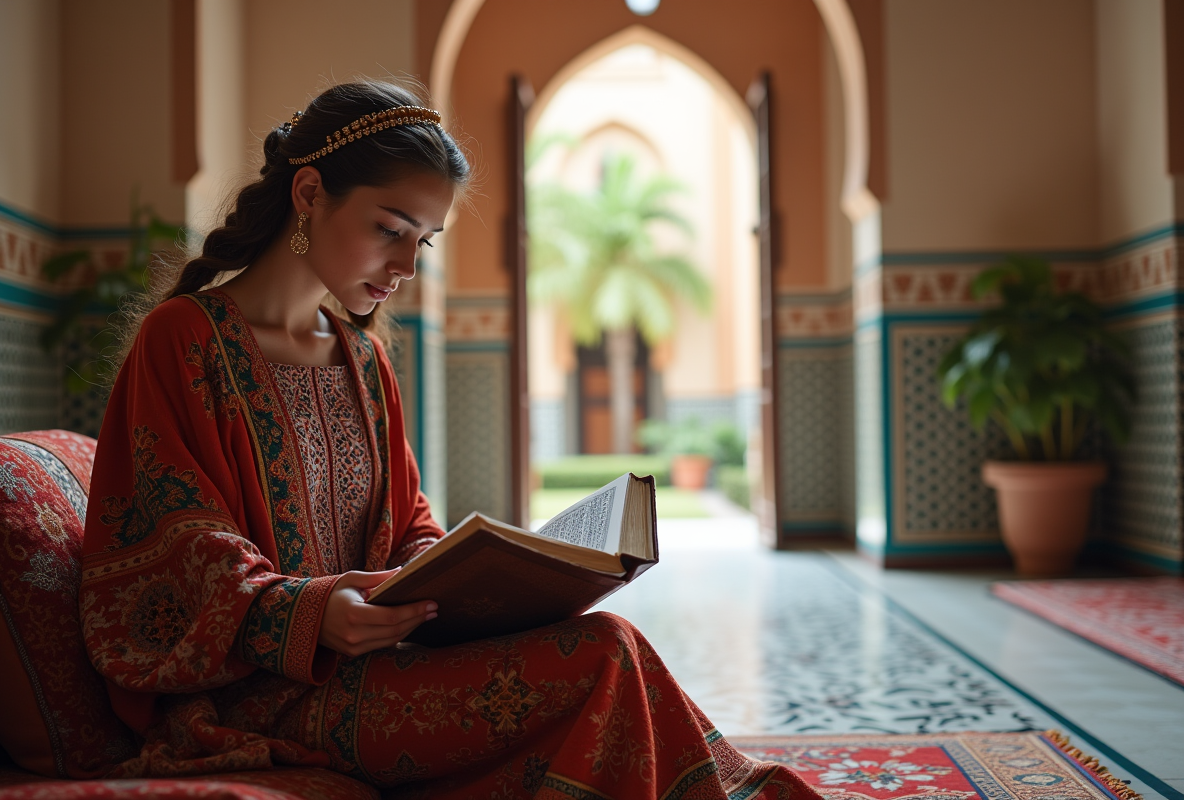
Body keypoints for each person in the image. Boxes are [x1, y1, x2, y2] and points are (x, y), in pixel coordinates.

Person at [79, 79, 819, 800]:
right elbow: (183, 537)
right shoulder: (181, 340)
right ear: (309, 194)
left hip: (386, 663)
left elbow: (405, 522)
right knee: (604, 661)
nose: (405, 267)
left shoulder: (362, 356)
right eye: (388, 229)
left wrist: (450, 573)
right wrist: (308, 612)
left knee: (608, 642)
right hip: (259, 693)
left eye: (422, 242)